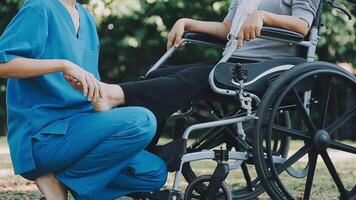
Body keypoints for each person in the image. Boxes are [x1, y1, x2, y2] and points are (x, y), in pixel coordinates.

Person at [67, 0, 321, 149]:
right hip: (234, 62)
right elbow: (227, 29)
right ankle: (141, 153)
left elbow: (302, 26)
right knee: (158, 75)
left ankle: (114, 94)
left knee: (191, 79)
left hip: (268, 68)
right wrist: (187, 22)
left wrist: (264, 16)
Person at [0, 0, 167, 199]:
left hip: (80, 130)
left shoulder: (86, 17)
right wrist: (62, 65)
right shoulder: (40, 7)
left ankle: (61, 179)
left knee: (154, 172)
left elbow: (91, 87)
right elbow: (3, 64)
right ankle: (63, 179)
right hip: (42, 138)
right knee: (143, 121)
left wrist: (98, 101)